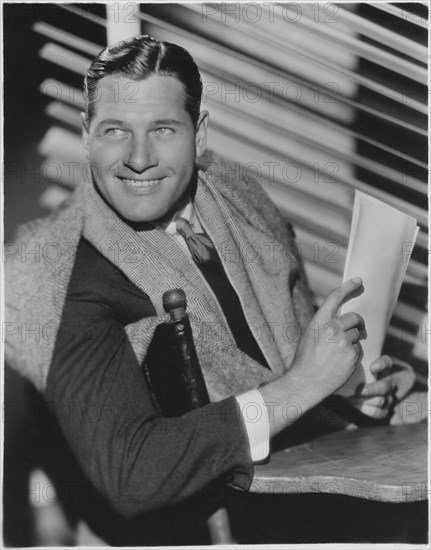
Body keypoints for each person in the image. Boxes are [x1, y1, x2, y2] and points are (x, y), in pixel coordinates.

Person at [4, 35, 415, 545]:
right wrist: (303, 387)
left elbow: (284, 360)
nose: (138, 158)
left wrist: (352, 394)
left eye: (163, 129)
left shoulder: (239, 197)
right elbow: (132, 474)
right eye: (115, 131)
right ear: (86, 136)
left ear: (197, 136)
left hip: (313, 493)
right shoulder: (64, 278)